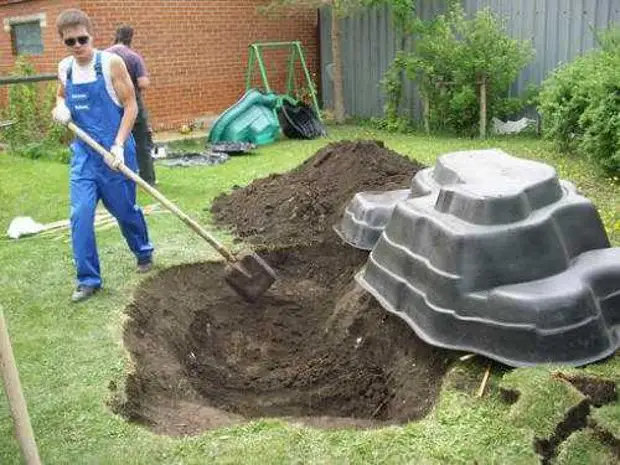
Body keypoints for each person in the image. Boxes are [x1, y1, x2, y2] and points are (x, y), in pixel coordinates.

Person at [51, 9, 154, 303]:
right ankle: (88, 280)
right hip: (84, 156)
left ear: (91, 36)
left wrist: (119, 145)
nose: (78, 46)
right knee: (80, 215)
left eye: (82, 39)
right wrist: (61, 107)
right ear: (64, 42)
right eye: (70, 41)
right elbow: (60, 95)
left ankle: (143, 251)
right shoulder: (65, 68)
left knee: (124, 211)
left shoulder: (112, 64)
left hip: (115, 154)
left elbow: (131, 106)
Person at [106, 25, 156, 186]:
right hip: (132, 104)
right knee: (142, 142)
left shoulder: (104, 56)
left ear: (116, 36)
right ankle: (147, 180)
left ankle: (116, 179)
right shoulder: (133, 57)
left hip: (110, 106)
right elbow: (143, 83)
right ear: (130, 38)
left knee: (114, 141)